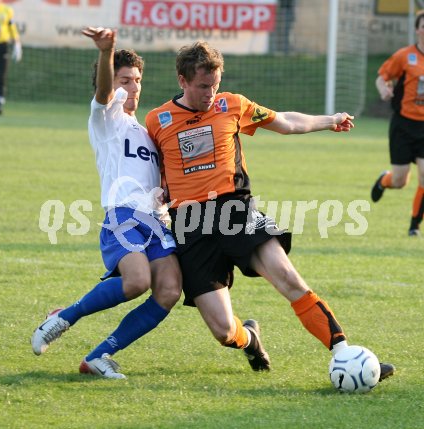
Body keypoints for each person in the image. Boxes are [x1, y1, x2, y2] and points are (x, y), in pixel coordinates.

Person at [145, 40, 395, 380]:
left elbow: (285, 121)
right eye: (203, 86)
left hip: (234, 210)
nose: (210, 94)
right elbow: (150, 168)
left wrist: (330, 120)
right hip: (189, 224)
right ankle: (249, 339)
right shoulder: (157, 121)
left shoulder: (232, 104)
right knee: (222, 331)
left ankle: (346, 352)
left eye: (214, 85)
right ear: (182, 81)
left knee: (288, 278)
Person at [31, 27, 182, 379]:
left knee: (170, 290)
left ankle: (99, 356)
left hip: (156, 221)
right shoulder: (105, 120)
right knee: (136, 281)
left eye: (137, 80)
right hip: (123, 217)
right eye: (125, 80)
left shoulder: (147, 133)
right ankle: (65, 317)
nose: (134, 87)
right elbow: (102, 92)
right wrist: (106, 52)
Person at [370, 11, 424, 237]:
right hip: (403, 125)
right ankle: (385, 180)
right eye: (423, 26)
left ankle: (414, 225)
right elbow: (382, 77)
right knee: (400, 180)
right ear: (417, 29)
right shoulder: (405, 56)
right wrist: (384, 90)